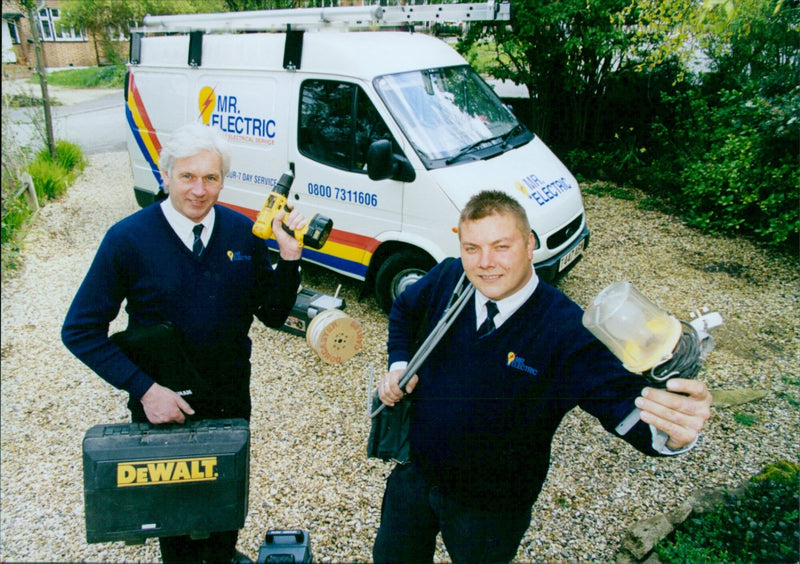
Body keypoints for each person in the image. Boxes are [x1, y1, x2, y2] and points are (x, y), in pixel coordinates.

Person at [373, 190, 712, 564]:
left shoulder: (568, 331)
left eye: (501, 246)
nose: (485, 263)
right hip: (416, 475)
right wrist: (400, 365)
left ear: (530, 244)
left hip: (491, 509)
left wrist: (673, 432)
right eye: (472, 248)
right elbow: (404, 309)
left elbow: (631, 413)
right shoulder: (449, 278)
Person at [62, 123, 307, 563]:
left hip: (229, 400)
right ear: (165, 176)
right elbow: (79, 330)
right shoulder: (127, 239)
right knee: (175, 522)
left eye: (211, 178)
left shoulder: (242, 234)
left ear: (223, 180)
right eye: (187, 176)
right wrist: (144, 390)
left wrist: (289, 259)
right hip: (163, 406)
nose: (199, 190)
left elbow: (271, 314)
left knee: (223, 507)